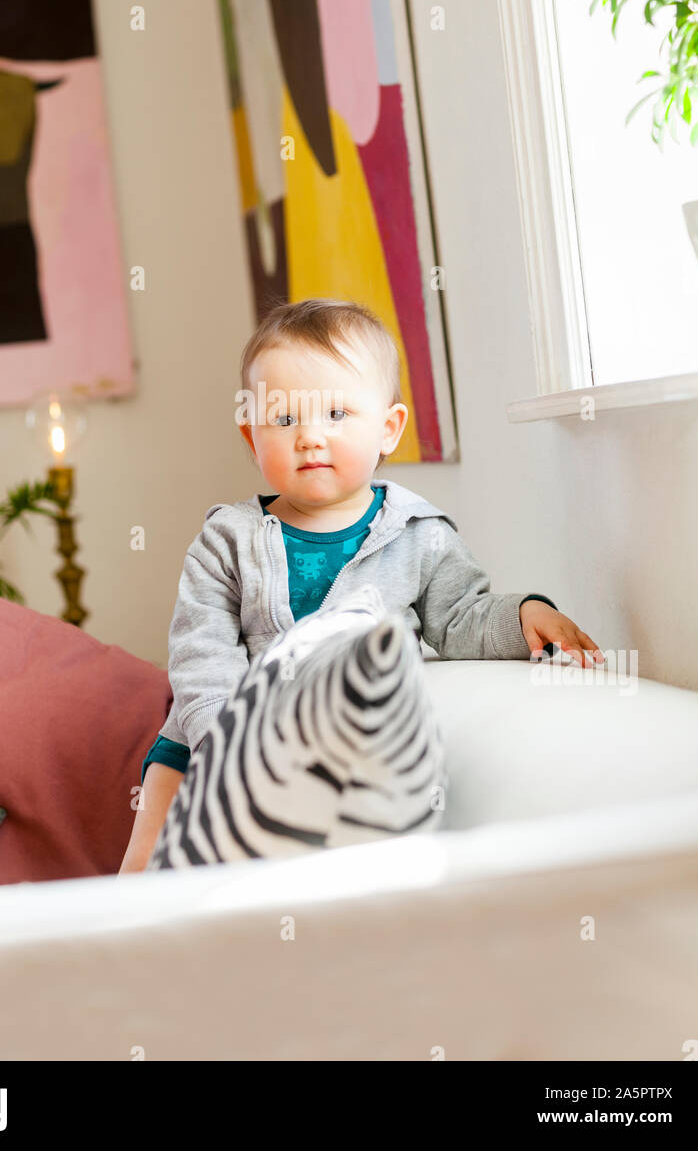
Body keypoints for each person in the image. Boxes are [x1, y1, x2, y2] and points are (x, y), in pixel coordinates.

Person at [118, 298, 602, 872]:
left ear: (388, 428)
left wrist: (524, 613)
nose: (310, 438)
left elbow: (460, 618)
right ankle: (138, 907)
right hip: (218, 733)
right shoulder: (226, 540)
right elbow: (201, 654)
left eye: (337, 415)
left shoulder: (420, 535)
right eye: (286, 419)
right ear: (252, 438)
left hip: (339, 727)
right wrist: (224, 741)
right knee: (153, 843)